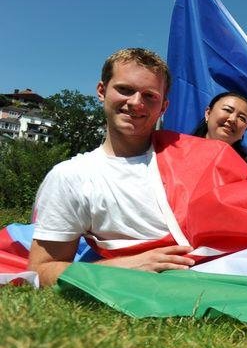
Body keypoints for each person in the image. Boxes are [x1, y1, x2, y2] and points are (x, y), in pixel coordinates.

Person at [29, 49, 196, 286]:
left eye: (150, 95)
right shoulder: (70, 176)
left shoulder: (195, 159)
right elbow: (41, 270)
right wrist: (123, 266)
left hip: (214, 273)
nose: (136, 103)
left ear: (164, 106)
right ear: (101, 91)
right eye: (125, 90)